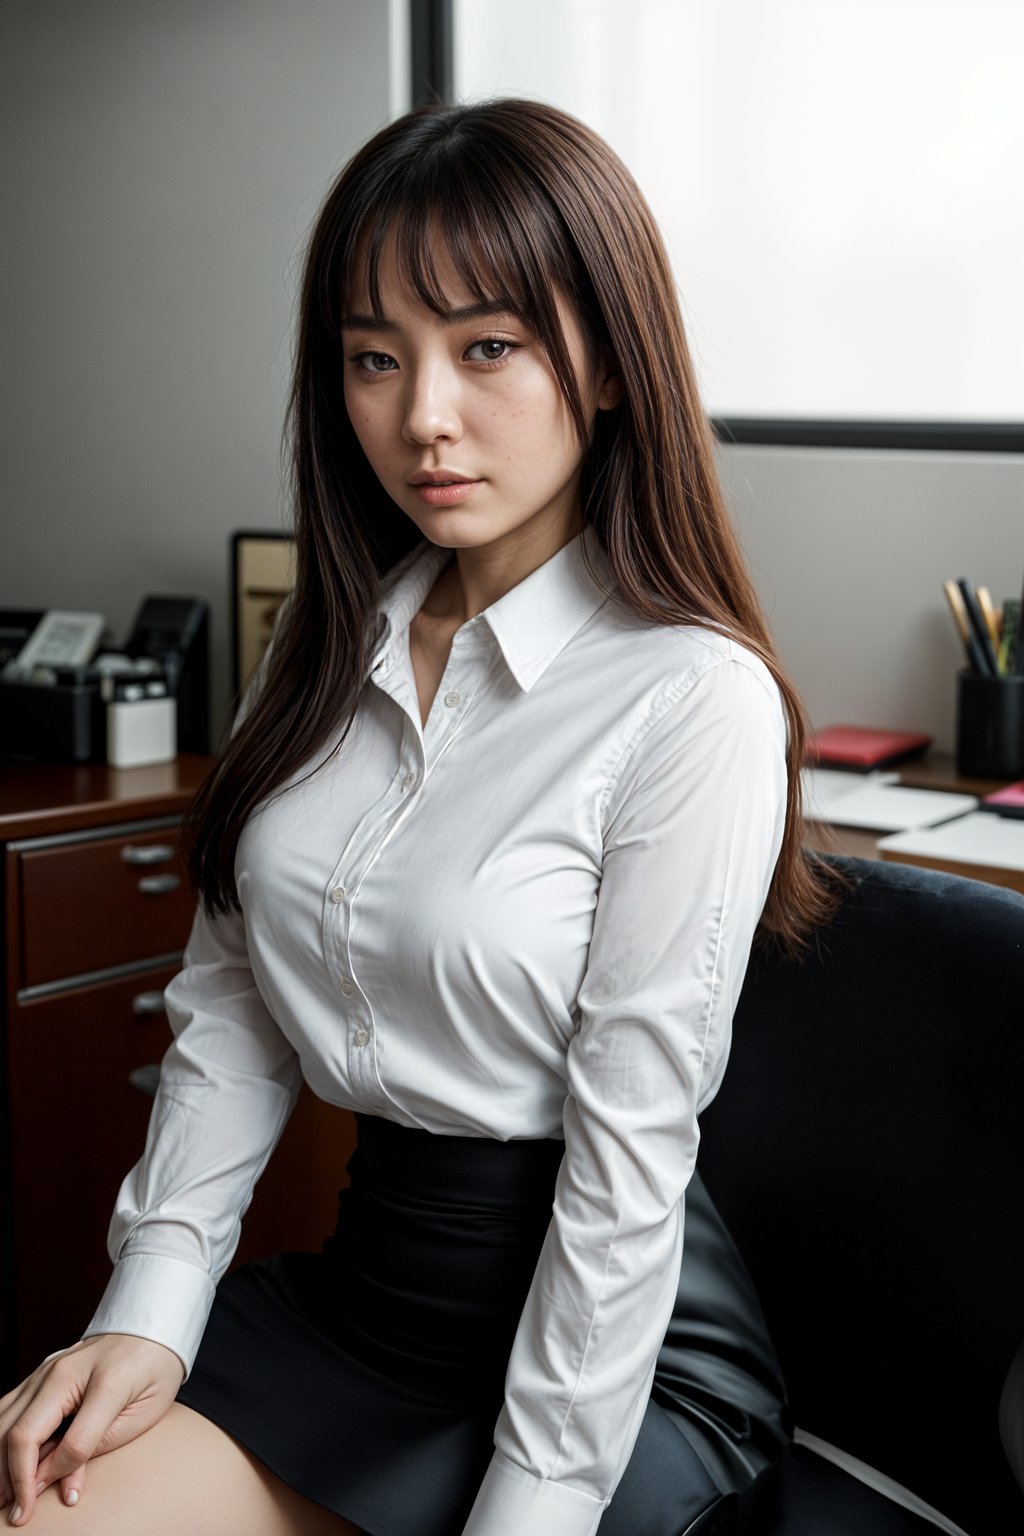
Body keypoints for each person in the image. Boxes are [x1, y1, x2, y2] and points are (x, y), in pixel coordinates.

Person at [0, 97, 840, 1535]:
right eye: (374, 359)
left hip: (606, 1351)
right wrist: (152, 1307)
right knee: (36, 1499)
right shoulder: (323, 646)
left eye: (489, 347)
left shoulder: (692, 697)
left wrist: (536, 1507)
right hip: (365, 1300)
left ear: (613, 360)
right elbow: (230, 1012)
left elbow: (632, 1155)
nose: (422, 417)